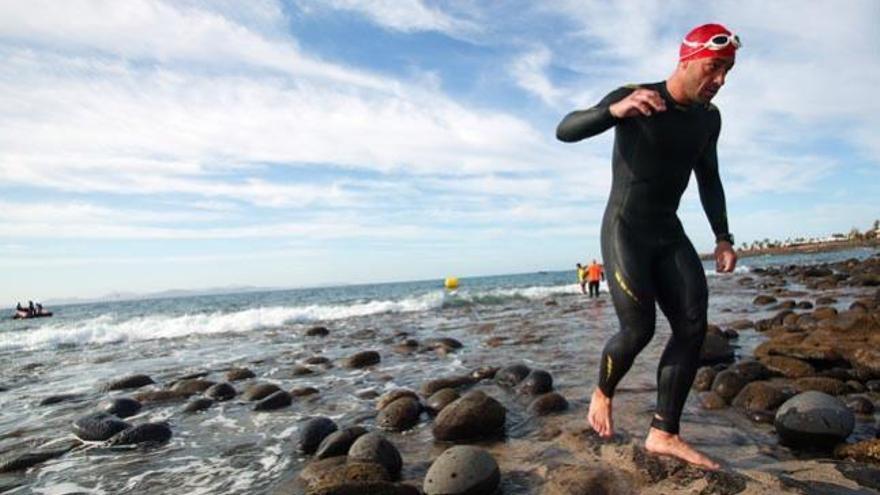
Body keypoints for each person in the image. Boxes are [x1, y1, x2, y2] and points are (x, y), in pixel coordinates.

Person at [556, 23, 739, 469]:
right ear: (686, 60)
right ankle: (602, 392)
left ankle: (664, 433)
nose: (720, 80)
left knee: (693, 326)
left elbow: (709, 179)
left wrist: (722, 236)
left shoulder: (708, 119)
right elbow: (565, 130)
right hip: (626, 229)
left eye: (728, 71)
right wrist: (615, 111)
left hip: (668, 230)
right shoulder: (636, 95)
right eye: (714, 68)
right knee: (639, 330)